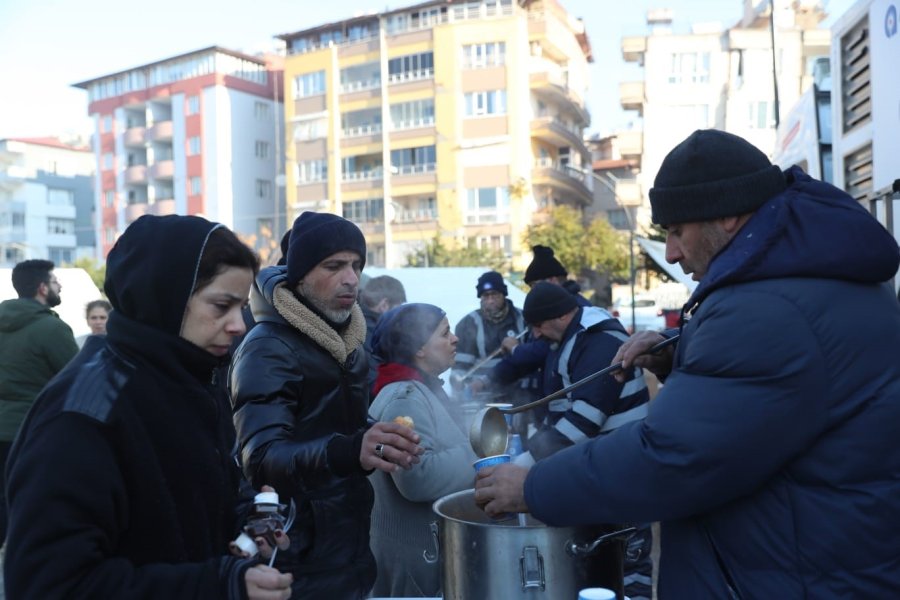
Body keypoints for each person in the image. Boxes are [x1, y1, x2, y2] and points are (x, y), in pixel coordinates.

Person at [474, 129, 900, 597]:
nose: (672, 254)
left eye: (678, 230)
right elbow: (764, 399)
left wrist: (534, 487)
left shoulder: (768, 308)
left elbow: (674, 457)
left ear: (730, 215)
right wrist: (678, 354)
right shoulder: (800, 278)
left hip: (793, 576)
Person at [3, 215, 293, 599]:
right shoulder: (86, 412)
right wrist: (216, 584)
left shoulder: (190, 375)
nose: (239, 324)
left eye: (241, 306)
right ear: (164, 296)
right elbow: (48, 583)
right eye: (222, 305)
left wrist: (247, 519)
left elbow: (180, 507)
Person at [229, 211, 423, 599]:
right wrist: (353, 449)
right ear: (299, 276)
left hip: (347, 538)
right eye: (333, 266)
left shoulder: (348, 338)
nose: (351, 278)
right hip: (294, 548)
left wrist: (379, 438)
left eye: (356, 265)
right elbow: (261, 458)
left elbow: (333, 421)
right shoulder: (269, 345)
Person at [518, 281, 655, 599]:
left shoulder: (600, 342)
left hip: (627, 473)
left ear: (560, 317)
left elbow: (583, 421)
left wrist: (524, 465)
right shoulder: (571, 338)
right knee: (600, 568)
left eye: (538, 325)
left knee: (629, 569)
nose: (535, 334)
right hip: (602, 472)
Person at [367, 303, 477, 597]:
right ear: (419, 350)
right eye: (445, 333)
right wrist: (481, 453)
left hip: (421, 556)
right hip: (413, 567)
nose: (455, 339)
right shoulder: (404, 397)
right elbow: (417, 477)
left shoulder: (418, 390)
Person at [0, 259, 78, 543]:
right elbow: (77, 379)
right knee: (29, 504)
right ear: (43, 288)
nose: (60, 287)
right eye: (56, 282)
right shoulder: (52, 329)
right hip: (31, 431)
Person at [451, 271, 525, 389]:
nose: (490, 300)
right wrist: (460, 387)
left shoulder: (523, 319)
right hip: (482, 396)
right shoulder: (468, 324)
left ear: (504, 294)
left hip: (521, 393)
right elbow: (460, 367)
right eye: (485, 296)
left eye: (494, 294)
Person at [360, 274, 407, 392]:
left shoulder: (364, 326)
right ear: (384, 305)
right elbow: (375, 383)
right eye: (399, 307)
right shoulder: (367, 334)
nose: (400, 314)